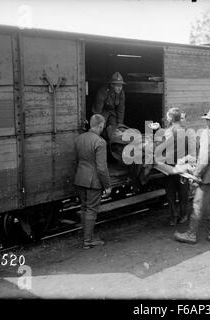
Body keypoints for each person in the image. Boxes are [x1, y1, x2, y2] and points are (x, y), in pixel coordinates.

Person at [174, 104, 210, 245]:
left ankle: (191, 234)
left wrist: (195, 175)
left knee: (197, 204)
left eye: (207, 119)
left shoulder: (207, 134)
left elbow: (204, 159)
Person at [74, 114, 112, 249]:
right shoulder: (100, 142)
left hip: (80, 179)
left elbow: (78, 161)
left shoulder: (79, 139)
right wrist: (107, 186)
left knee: (84, 207)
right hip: (93, 182)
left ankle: (86, 237)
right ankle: (88, 241)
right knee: (91, 209)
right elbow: (102, 168)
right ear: (101, 125)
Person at [163, 107, 189, 226]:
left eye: (168, 116)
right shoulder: (186, 132)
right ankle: (184, 216)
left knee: (171, 193)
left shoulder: (167, 132)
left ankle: (173, 217)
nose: (167, 118)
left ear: (171, 118)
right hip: (183, 168)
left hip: (170, 168)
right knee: (183, 194)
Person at [92, 72, 126, 142]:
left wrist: (119, 125)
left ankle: (112, 146)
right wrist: (99, 125)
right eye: (117, 86)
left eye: (121, 86)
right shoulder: (103, 92)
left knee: (113, 129)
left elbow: (121, 109)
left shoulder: (121, 93)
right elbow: (98, 111)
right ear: (112, 85)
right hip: (102, 111)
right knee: (101, 130)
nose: (120, 88)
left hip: (112, 112)